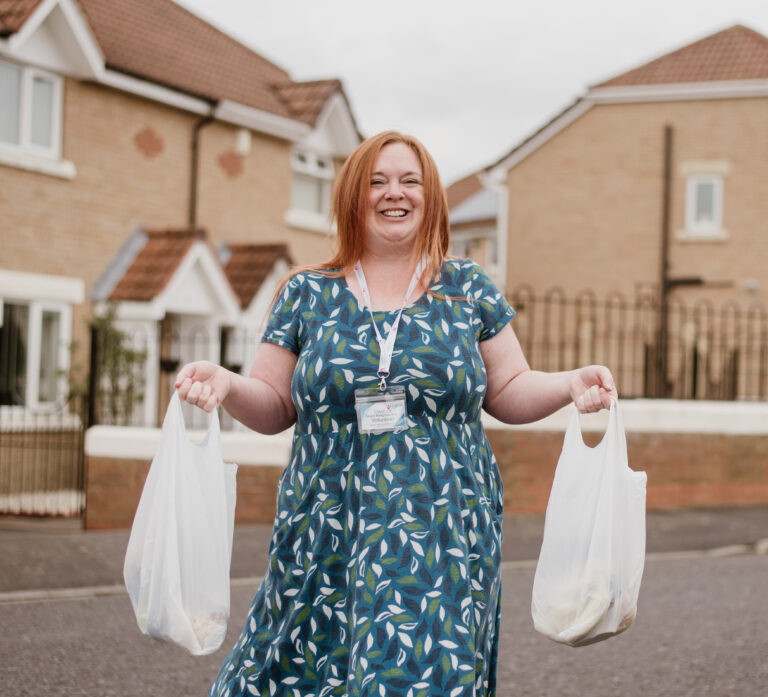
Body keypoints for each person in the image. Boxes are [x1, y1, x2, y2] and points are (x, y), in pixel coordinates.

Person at [175, 131, 617, 697]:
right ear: (353, 197)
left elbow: (508, 388)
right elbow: (274, 404)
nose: (394, 193)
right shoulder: (305, 293)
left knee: (420, 674)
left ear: (430, 196)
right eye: (377, 181)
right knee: (299, 671)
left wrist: (570, 383)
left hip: (442, 530)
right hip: (327, 526)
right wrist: (227, 383)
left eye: (410, 181)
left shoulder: (467, 290)